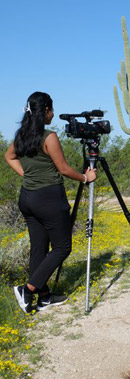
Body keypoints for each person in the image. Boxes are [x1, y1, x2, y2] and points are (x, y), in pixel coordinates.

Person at [4, 91, 97, 313]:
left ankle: (43, 297)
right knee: (63, 247)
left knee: (39, 248)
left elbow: (9, 157)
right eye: (51, 109)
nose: (53, 114)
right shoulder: (49, 137)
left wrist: (27, 176)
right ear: (46, 110)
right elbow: (63, 169)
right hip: (49, 198)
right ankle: (27, 290)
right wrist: (86, 178)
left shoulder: (21, 136)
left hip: (27, 197)